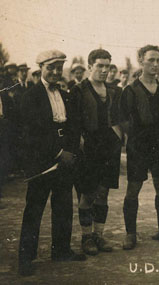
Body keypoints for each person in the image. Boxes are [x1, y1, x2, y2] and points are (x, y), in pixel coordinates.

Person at [18, 50, 85, 276]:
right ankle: (26, 259)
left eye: (59, 67)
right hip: (43, 162)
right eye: (51, 67)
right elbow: (31, 133)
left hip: (66, 160)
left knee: (64, 206)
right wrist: (58, 153)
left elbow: (74, 127)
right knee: (34, 209)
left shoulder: (65, 95)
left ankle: (61, 250)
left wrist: (71, 151)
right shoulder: (31, 96)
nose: (56, 72)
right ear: (41, 68)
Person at [120, 45, 159, 249]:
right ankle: (131, 234)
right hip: (139, 146)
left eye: (157, 60)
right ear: (140, 61)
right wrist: (135, 138)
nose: (155, 64)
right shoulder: (131, 90)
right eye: (150, 60)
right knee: (133, 188)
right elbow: (122, 120)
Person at [74, 49, 123, 256]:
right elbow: (74, 123)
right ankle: (86, 237)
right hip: (89, 147)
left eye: (108, 66)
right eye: (100, 66)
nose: (104, 70)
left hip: (109, 146)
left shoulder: (113, 91)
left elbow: (120, 118)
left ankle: (98, 235)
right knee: (87, 193)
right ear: (90, 66)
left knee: (103, 193)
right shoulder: (79, 90)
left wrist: (118, 137)